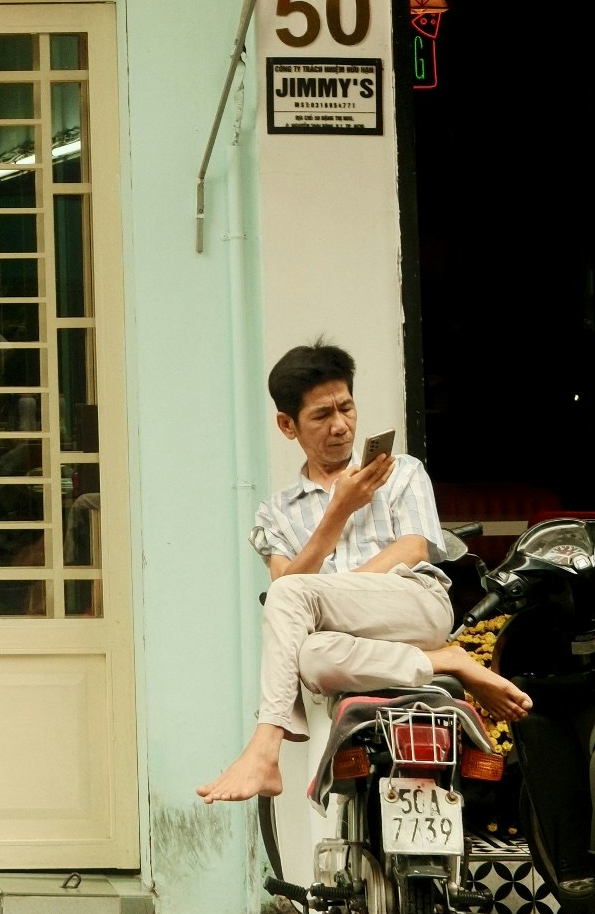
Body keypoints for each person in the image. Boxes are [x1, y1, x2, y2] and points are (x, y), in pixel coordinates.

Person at [197, 340, 528, 807]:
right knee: (310, 657)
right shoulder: (275, 513)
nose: (340, 426)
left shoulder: (402, 472)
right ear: (287, 425)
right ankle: (448, 661)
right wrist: (339, 511)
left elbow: (412, 549)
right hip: (344, 641)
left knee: (291, 597)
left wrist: (332, 595)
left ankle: (265, 748)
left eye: (346, 408)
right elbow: (288, 583)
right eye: (321, 415)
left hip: (414, 606)